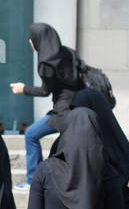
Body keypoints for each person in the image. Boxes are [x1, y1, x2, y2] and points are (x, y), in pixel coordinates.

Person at [11, 23, 84, 189]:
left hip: (63, 111)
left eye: (32, 39)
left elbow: (45, 91)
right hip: (79, 106)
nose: (30, 42)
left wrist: (24, 89)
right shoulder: (68, 52)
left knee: (30, 134)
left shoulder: (47, 63)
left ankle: (33, 180)